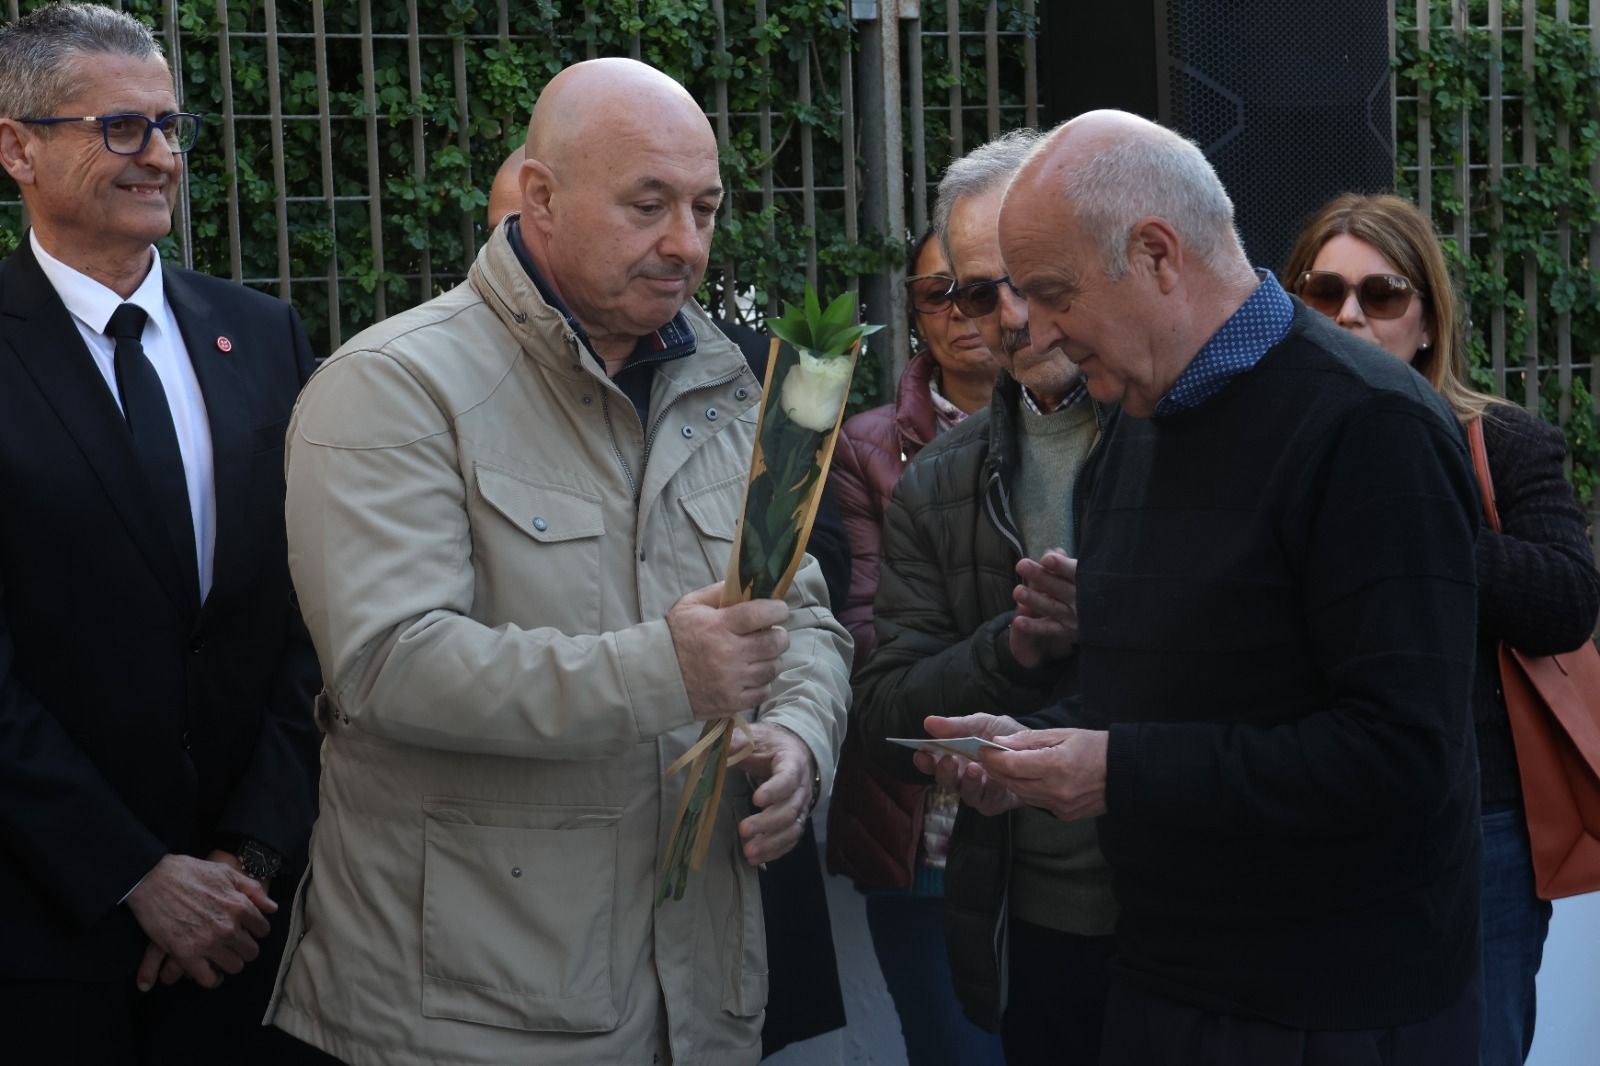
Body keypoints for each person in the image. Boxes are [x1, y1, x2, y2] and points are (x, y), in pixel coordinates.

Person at [266, 57, 851, 1066]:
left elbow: (798, 616)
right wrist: (666, 671)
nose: (686, 243)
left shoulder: (733, 381)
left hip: (698, 1007)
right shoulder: (392, 387)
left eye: (706, 208)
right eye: (648, 205)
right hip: (462, 1018)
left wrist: (799, 737)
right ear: (540, 197)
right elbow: (386, 663)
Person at [923, 109, 1485, 1065]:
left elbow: (1402, 758)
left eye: (1054, 293)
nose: (1033, 328)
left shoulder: (1371, 428)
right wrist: (1037, 747)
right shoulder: (1140, 417)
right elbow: (1162, 695)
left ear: (1156, 254)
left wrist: (1118, 771)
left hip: (1334, 1010)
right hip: (1163, 985)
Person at [0, 4, 322, 1063]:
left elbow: (315, 610)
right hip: (47, 937)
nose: (163, 157)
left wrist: (250, 854)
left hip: (251, 926)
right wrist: (135, 874)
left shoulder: (263, 336)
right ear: (18, 149)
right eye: (122, 128)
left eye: (171, 126)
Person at [1283, 192, 1600, 1066]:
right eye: (1324, 292)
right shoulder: (1261, 450)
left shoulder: (1502, 442)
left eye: (1381, 294)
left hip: (1478, 830)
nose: (1350, 315)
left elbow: (1569, 600)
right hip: (1307, 824)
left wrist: (1421, 525)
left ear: (1426, 321)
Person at [851, 129, 1117, 1066]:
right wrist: (1016, 646)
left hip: (1190, 922)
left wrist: (1108, 620)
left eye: (1028, 279)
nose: (1006, 315)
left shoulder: (1181, 429)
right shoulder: (937, 477)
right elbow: (885, 708)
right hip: (1027, 926)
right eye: (973, 292)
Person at [824, 229, 1003, 1065]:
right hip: (922, 831)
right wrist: (1020, 637)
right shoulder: (862, 447)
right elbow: (871, 640)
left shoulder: (1113, 418)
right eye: (939, 292)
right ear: (917, 312)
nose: (963, 310)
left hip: (1071, 838)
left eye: (984, 287)